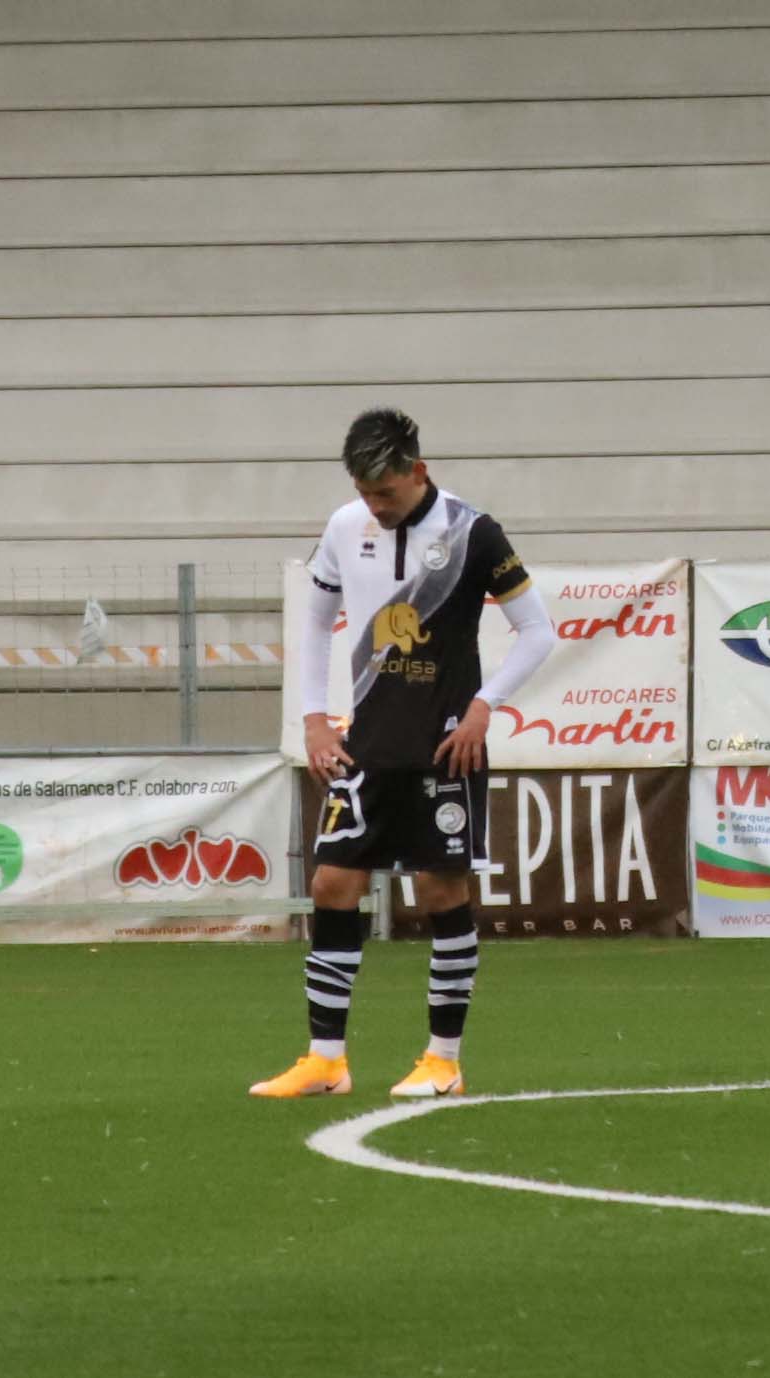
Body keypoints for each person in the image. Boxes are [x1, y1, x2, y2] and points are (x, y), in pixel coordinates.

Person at [252, 409, 558, 1102]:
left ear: (419, 472)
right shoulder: (342, 528)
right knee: (333, 884)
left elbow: (537, 632)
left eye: (385, 493)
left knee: (439, 892)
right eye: (364, 493)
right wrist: (314, 722)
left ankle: (443, 1061)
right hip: (367, 744)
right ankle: (325, 1060)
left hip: (445, 745)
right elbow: (315, 624)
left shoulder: (472, 532)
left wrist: (486, 706)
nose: (374, 506)